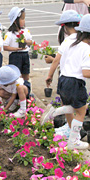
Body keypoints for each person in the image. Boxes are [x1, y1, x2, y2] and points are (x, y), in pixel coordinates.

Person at [41, 14, 90, 150]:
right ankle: (73, 141)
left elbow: (57, 60)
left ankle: (55, 113)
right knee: (81, 111)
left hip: (63, 79)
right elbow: (86, 72)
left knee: (73, 107)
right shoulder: (86, 48)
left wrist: (50, 75)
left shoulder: (70, 41)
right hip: (75, 83)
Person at [4, 7, 32, 81]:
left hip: (25, 54)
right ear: (15, 21)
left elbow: (31, 42)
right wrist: (15, 49)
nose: (24, 21)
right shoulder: (10, 34)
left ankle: (26, 89)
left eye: (24, 18)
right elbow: (5, 47)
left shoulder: (26, 31)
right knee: (16, 75)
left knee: (26, 74)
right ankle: (16, 90)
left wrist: (26, 41)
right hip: (15, 56)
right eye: (22, 19)